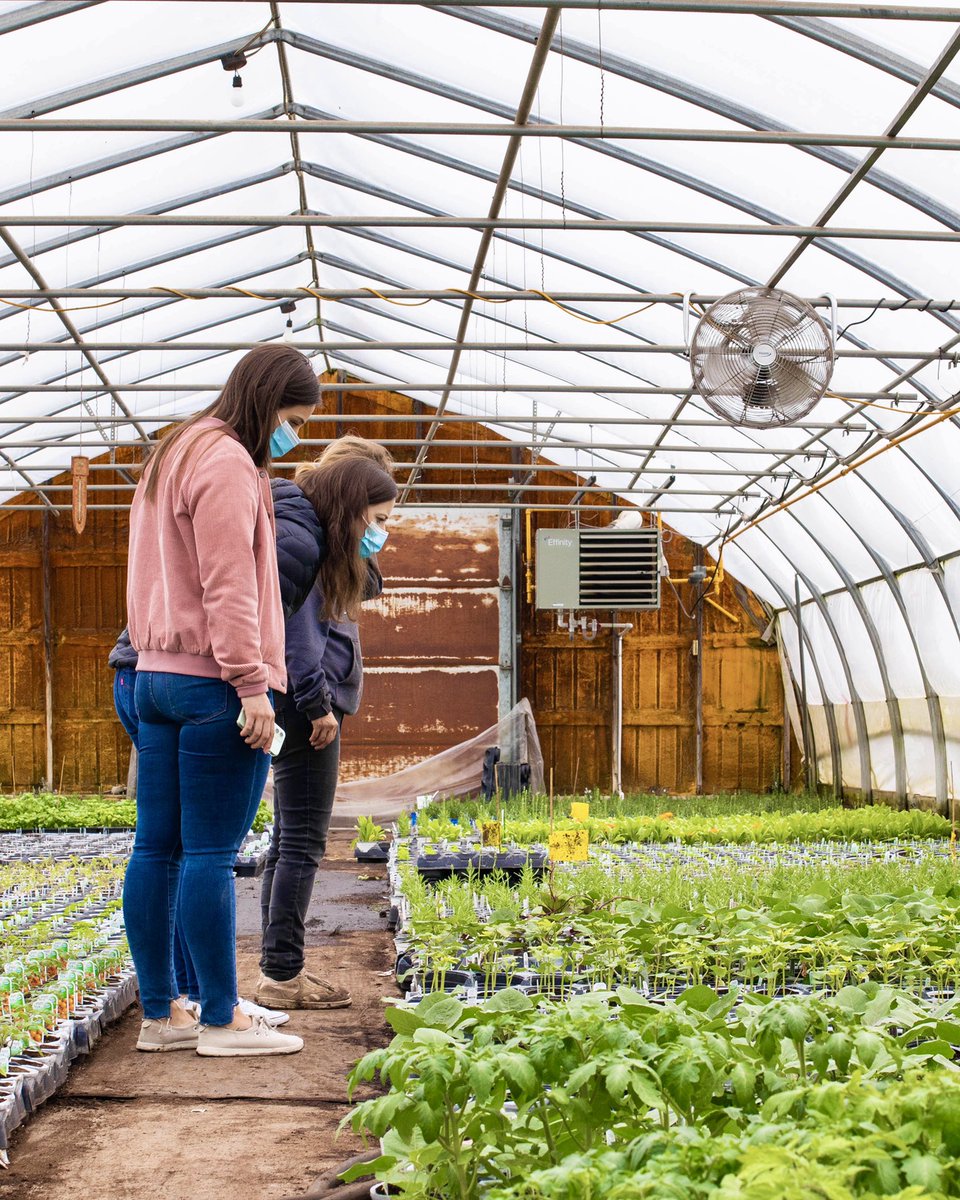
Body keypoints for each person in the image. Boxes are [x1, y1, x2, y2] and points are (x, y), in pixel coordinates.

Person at [124, 344, 317, 1058]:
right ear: (267, 403)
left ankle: (163, 1013)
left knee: (156, 849)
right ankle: (220, 1019)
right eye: (293, 419)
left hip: (153, 675)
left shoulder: (172, 451)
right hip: (212, 682)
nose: (293, 434)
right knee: (210, 853)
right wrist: (250, 684)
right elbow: (228, 583)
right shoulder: (229, 462)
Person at [255, 453, 397, 1010]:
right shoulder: (311, 551)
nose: (381, 531)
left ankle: (279, 966)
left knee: (287, 839)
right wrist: (318, 706)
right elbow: (298, 643)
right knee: (302, 844)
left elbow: (366, 589)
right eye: (377, 519)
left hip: (295, 705)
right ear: (351, 508)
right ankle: (282, 974)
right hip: (306, 709)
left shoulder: (321, 548)